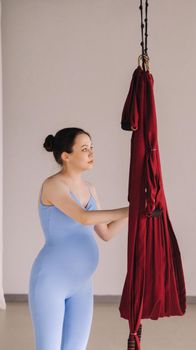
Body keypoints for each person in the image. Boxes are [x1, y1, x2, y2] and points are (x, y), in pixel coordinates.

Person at [29, 127, 129, 350]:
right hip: (50, 282)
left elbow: (106, 233)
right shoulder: (53, 185)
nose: (91, 153)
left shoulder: (90, 189)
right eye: (84, 149)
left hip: (82, 284)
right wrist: (129, 210)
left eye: (92, 147)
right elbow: (84, 217)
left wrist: (136, 212)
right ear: (66, 156)